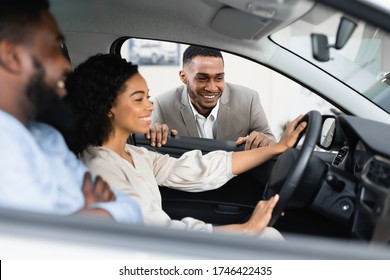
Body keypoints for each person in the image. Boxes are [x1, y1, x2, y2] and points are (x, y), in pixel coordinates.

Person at [65, 53, 307, 238]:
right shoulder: (99, 170)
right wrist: (245, 230)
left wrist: (277, 147)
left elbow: (199, 168)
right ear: (107, 107)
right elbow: (156, 235)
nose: (150, 106)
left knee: (268, 235)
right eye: (139, 99)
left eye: (148, 97)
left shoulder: (136, 154)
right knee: (266, 237)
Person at [0, 0, 142, 224]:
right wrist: (91, 216)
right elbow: (35, 247)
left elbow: (131, 211)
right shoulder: (5, 144)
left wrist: (89, 217)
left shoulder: (48, 138)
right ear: (12, 56)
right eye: (53, 49)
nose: (67, 66)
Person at [150, 45, 276, 150]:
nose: (212, 88)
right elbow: (150, 149)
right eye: (202, 78)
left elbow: (270, 141)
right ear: (183, 77)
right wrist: (154, 133)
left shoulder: (248, 99)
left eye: (219, 78)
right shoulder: (163, 105)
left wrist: (263, 140)